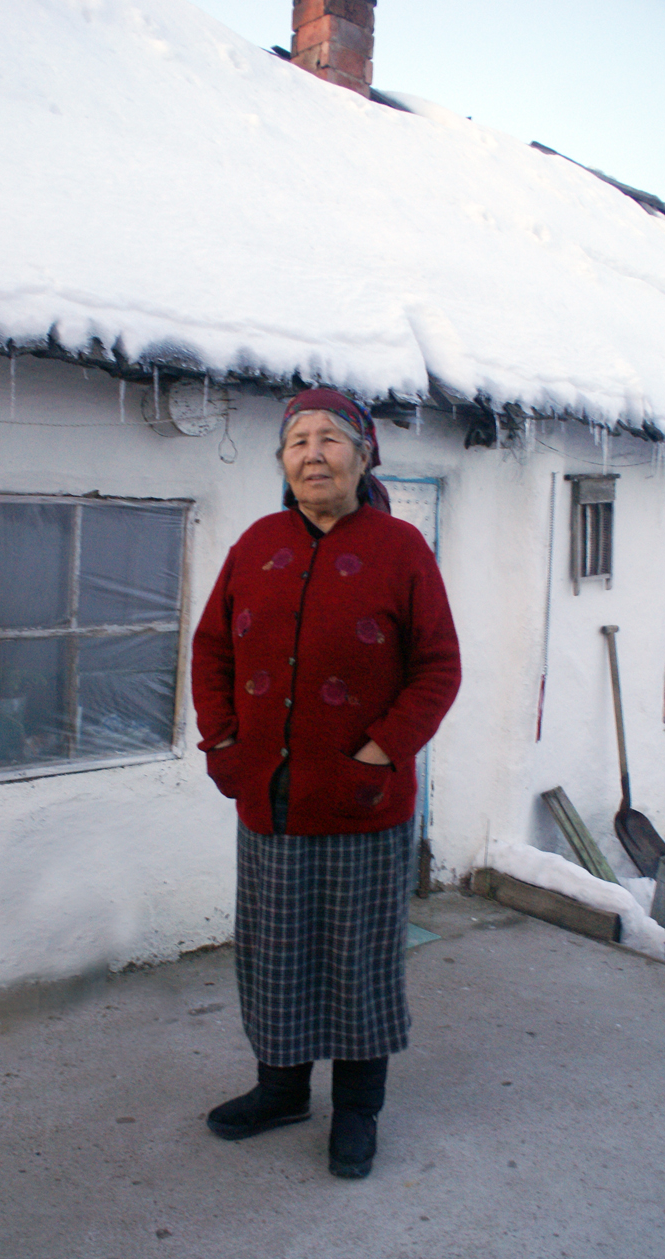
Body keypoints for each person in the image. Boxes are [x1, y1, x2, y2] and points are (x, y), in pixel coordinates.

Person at [191, 387, 461, 1178]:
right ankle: (280, 1092)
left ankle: (357, 1111)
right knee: (275, 955)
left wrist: (380, 753)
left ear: (365, 455)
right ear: (283, 460)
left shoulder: (402, 549)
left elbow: (438, 667)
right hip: (270, 798)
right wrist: (223, 742)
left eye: (331, 439)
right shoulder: (256, 544)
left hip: (362, 802)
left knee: (359, 961)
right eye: (298, 440)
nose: (313, 453)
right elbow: (212, 650)